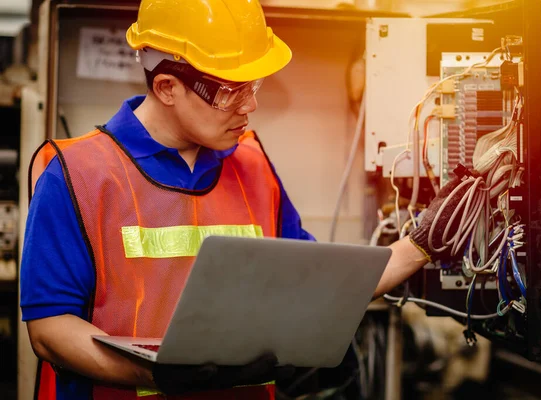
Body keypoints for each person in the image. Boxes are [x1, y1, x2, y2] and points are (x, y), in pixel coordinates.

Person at [20, 0, 460, 399]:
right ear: (169, 87)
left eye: (255, 84)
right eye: (231, 90)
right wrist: (158, 378)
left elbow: (321, 285)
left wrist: (422, 242)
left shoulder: (251, 164)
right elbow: (50, 331)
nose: (250, 105)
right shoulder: (76, 173)